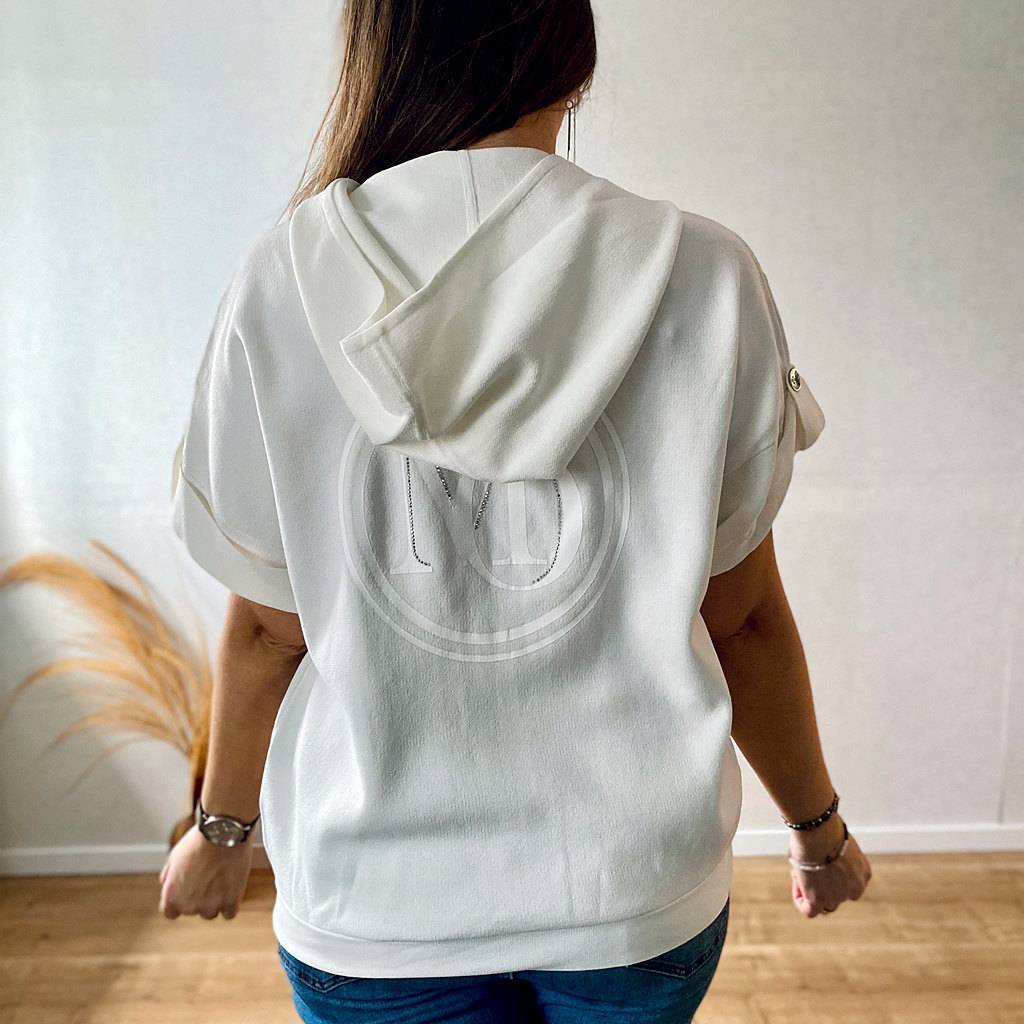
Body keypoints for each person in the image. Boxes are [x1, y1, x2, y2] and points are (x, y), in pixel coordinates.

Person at [159, 2, 872, 1021]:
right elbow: (743, 618)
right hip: (632, 895)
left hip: (372, 905)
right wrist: (819, 833)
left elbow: (271, 632)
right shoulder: (707, 275)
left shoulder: (282, 279)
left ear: (380, 53)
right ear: (573, 64)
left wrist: (222, 834)